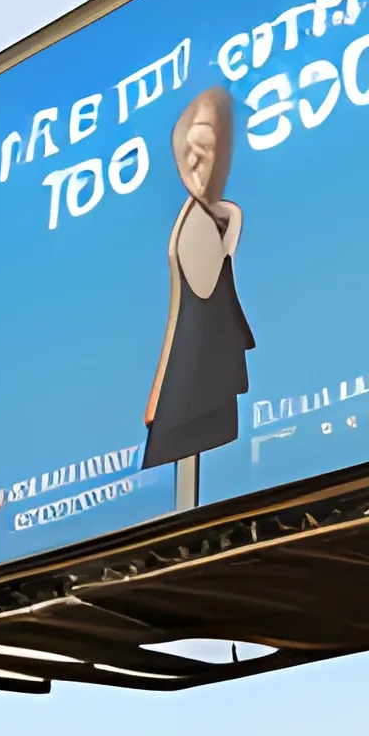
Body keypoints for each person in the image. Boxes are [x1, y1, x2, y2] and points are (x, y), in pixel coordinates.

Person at [143, 86, 254, 507]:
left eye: (205, 143)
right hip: (192, 377)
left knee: (189, 473)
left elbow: (201, 297)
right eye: (188, 145)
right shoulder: (194, 222)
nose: (194, 157)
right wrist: (158, 390)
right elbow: (181, 308)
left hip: (202, 374)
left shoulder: (205, 220)